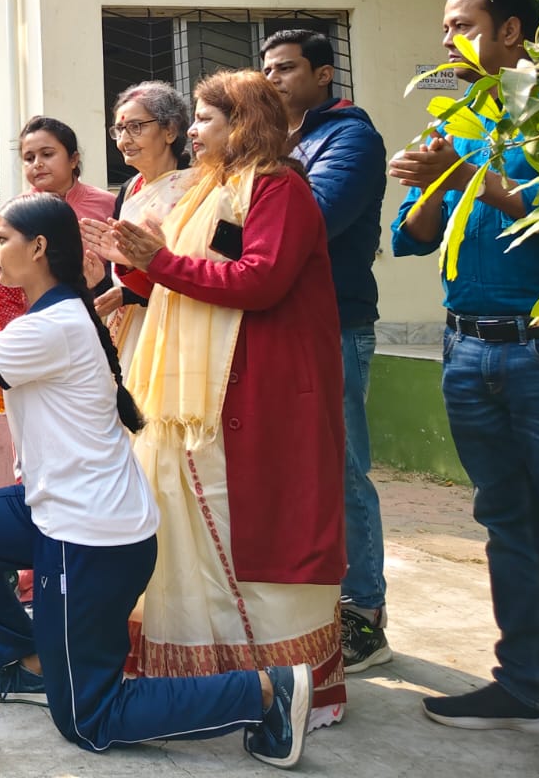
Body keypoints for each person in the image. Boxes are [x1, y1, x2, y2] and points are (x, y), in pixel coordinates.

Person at [0, 195, 314, 769]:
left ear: (38, 248)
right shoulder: (51, 317)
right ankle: (32, 665)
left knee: (87, 717)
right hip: (57, 511)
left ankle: (266, 691)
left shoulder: (53, 327)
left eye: (2, 239)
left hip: (89, 537)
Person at [82, 70, 347, 728]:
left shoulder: (280, 189)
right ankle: (214, 684)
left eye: (205, 118)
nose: (193, 130)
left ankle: (286, 686)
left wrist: (159, 261)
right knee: (192, 524)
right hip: (198, 392)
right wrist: (131, 261)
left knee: (253, 529)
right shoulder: (208, 190)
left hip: (260, 386)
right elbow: (185, 279)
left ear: (244, 122)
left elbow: (260, 280)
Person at [389, 0, 539, 733]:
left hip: (533, 349)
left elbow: (532, 210)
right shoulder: (459, 117)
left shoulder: (535, 115)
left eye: (462, 25)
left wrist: (472, 180)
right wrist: (428, 187)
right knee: (506, 519)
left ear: (510, 31)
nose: (447, 40)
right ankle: (525, 682)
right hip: (466, 348)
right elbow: (412, 237)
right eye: (445, 26)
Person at [262, 29, 390, 673]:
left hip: (336, 322)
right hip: (281, 320)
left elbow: (310, 219)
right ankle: (316, 603)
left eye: (287, 68)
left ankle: (366, 612)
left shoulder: (349, 138)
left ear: (323, 74)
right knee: (296, 467)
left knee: (343, 467)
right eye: (267, 70)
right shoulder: (277, 141)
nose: (274, 80)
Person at [91, 83, 195, 372]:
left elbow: (194, 269)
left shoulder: (193, 187)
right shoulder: (130, 188)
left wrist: (129, 287)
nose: (124, 140)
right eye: (119, 130)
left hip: (176, 323)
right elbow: (118, 269)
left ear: (170, 130)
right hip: (129, 325)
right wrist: (100, 276)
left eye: (135, 127)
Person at [0, 116, 110, 328]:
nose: (37, 164)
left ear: (73, 159)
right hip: (36, 325)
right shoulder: (13, 213)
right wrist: (20, 332)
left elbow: (121, 270)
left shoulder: (107, 205)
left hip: (102, 321)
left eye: (47, 154)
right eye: (29, 158)